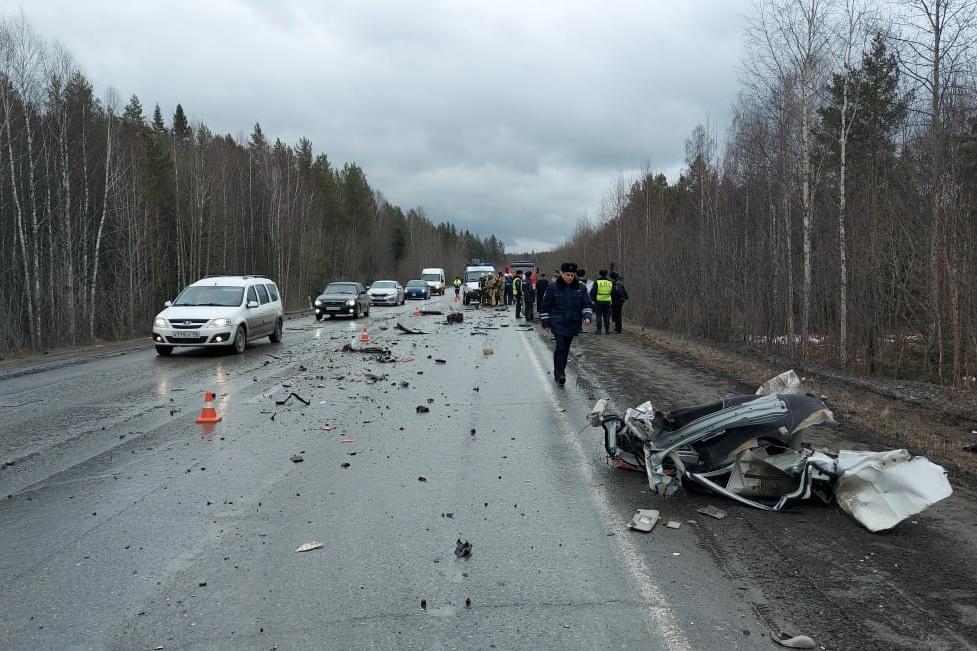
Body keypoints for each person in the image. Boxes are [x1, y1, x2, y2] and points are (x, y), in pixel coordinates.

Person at [540, 262, 594, 386]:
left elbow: (586, 304)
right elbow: (545, 305)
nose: (570, 277)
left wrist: (587, 316)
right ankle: (560, 374)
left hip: (573, 323)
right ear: (562, 273)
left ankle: (560, 370)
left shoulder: (580, 288)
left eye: (572, 275)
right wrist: (545, 322)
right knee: (560, 347)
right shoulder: (552, 287)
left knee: (565, 349)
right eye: (567, 274)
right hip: (557, 322)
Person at [589, 269, 613, 334]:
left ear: (600, 274)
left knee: (599, 315)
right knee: (607, 315)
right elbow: (613, 292)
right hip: (607, 301)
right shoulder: (610, 282)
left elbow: (593, 292)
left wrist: (593, 299)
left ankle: (599, 330)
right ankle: (607, 330)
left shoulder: (597, 281)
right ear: (606, 274)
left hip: (598, 300)